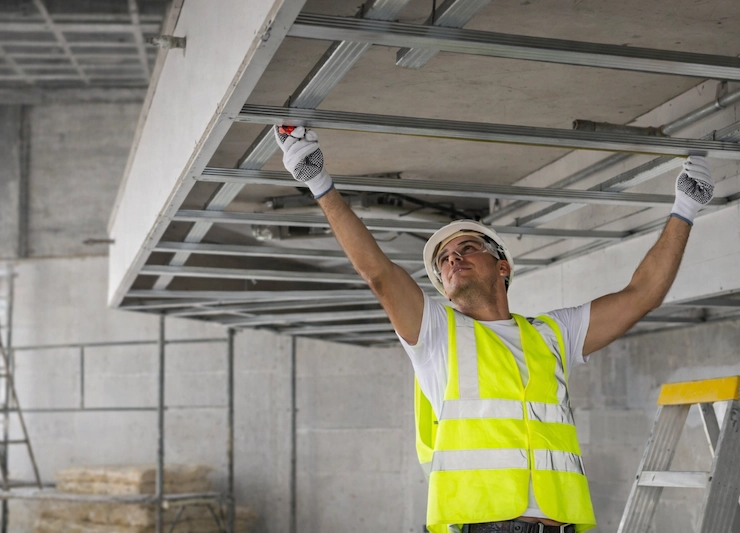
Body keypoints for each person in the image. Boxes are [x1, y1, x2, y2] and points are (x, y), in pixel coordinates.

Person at [273, 126, 714, 533]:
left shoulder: (552, 335)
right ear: (443, 290)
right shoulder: (436, 336)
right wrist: (319, 184)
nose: (452, 260)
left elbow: (642, 295)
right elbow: (380, 276)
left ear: (501, 266)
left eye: (466, 248)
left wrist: (686, 207)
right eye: (443, 261)